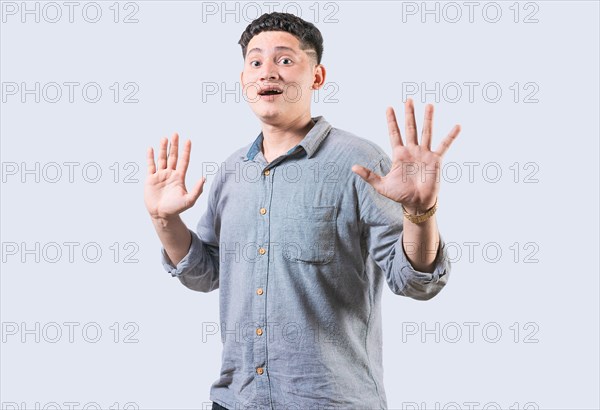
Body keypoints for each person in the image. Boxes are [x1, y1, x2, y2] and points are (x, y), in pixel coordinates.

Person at [144, 12, 460, 410]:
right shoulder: (229, 173)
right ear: (243, 78)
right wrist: (164, 220)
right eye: (255, 62)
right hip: (234, 401)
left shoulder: (359, 163)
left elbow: (415, 282)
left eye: (285, 60)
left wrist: (421, 211)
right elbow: (204, 274)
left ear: (317, 76)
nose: (267, 72)